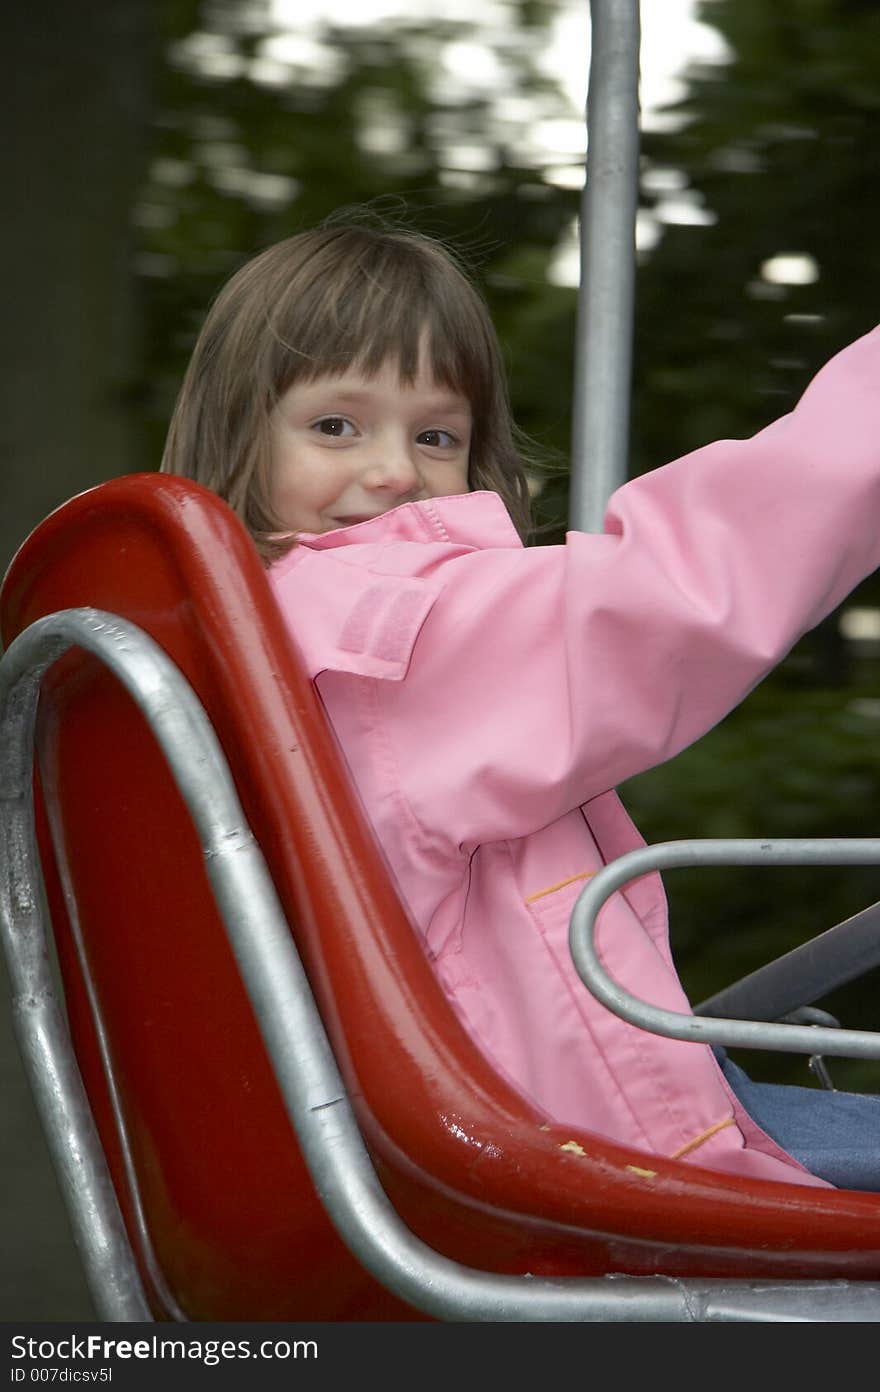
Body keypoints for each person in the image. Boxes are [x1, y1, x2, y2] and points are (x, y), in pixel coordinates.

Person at [162, 214, 880, 1192]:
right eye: (336, 425)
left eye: (436, 434)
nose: (391, 471)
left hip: (436, 1141)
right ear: (237, 439)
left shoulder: (238, 650)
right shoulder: (383, 634)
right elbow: (668, 597)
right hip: (567, 1160)